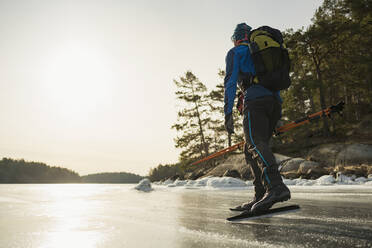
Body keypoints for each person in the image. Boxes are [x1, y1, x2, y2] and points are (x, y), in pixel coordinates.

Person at [224, 23, 290, 213]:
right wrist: (277, 116)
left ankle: (276, 187)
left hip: (255, 102)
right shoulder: (259, 51)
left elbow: (229, 82)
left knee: (254, 143)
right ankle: (260, 194)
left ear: (237, 38)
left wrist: (227, 113)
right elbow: (272, 84)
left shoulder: (236, 52)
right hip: (273, 103)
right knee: (249, 149)